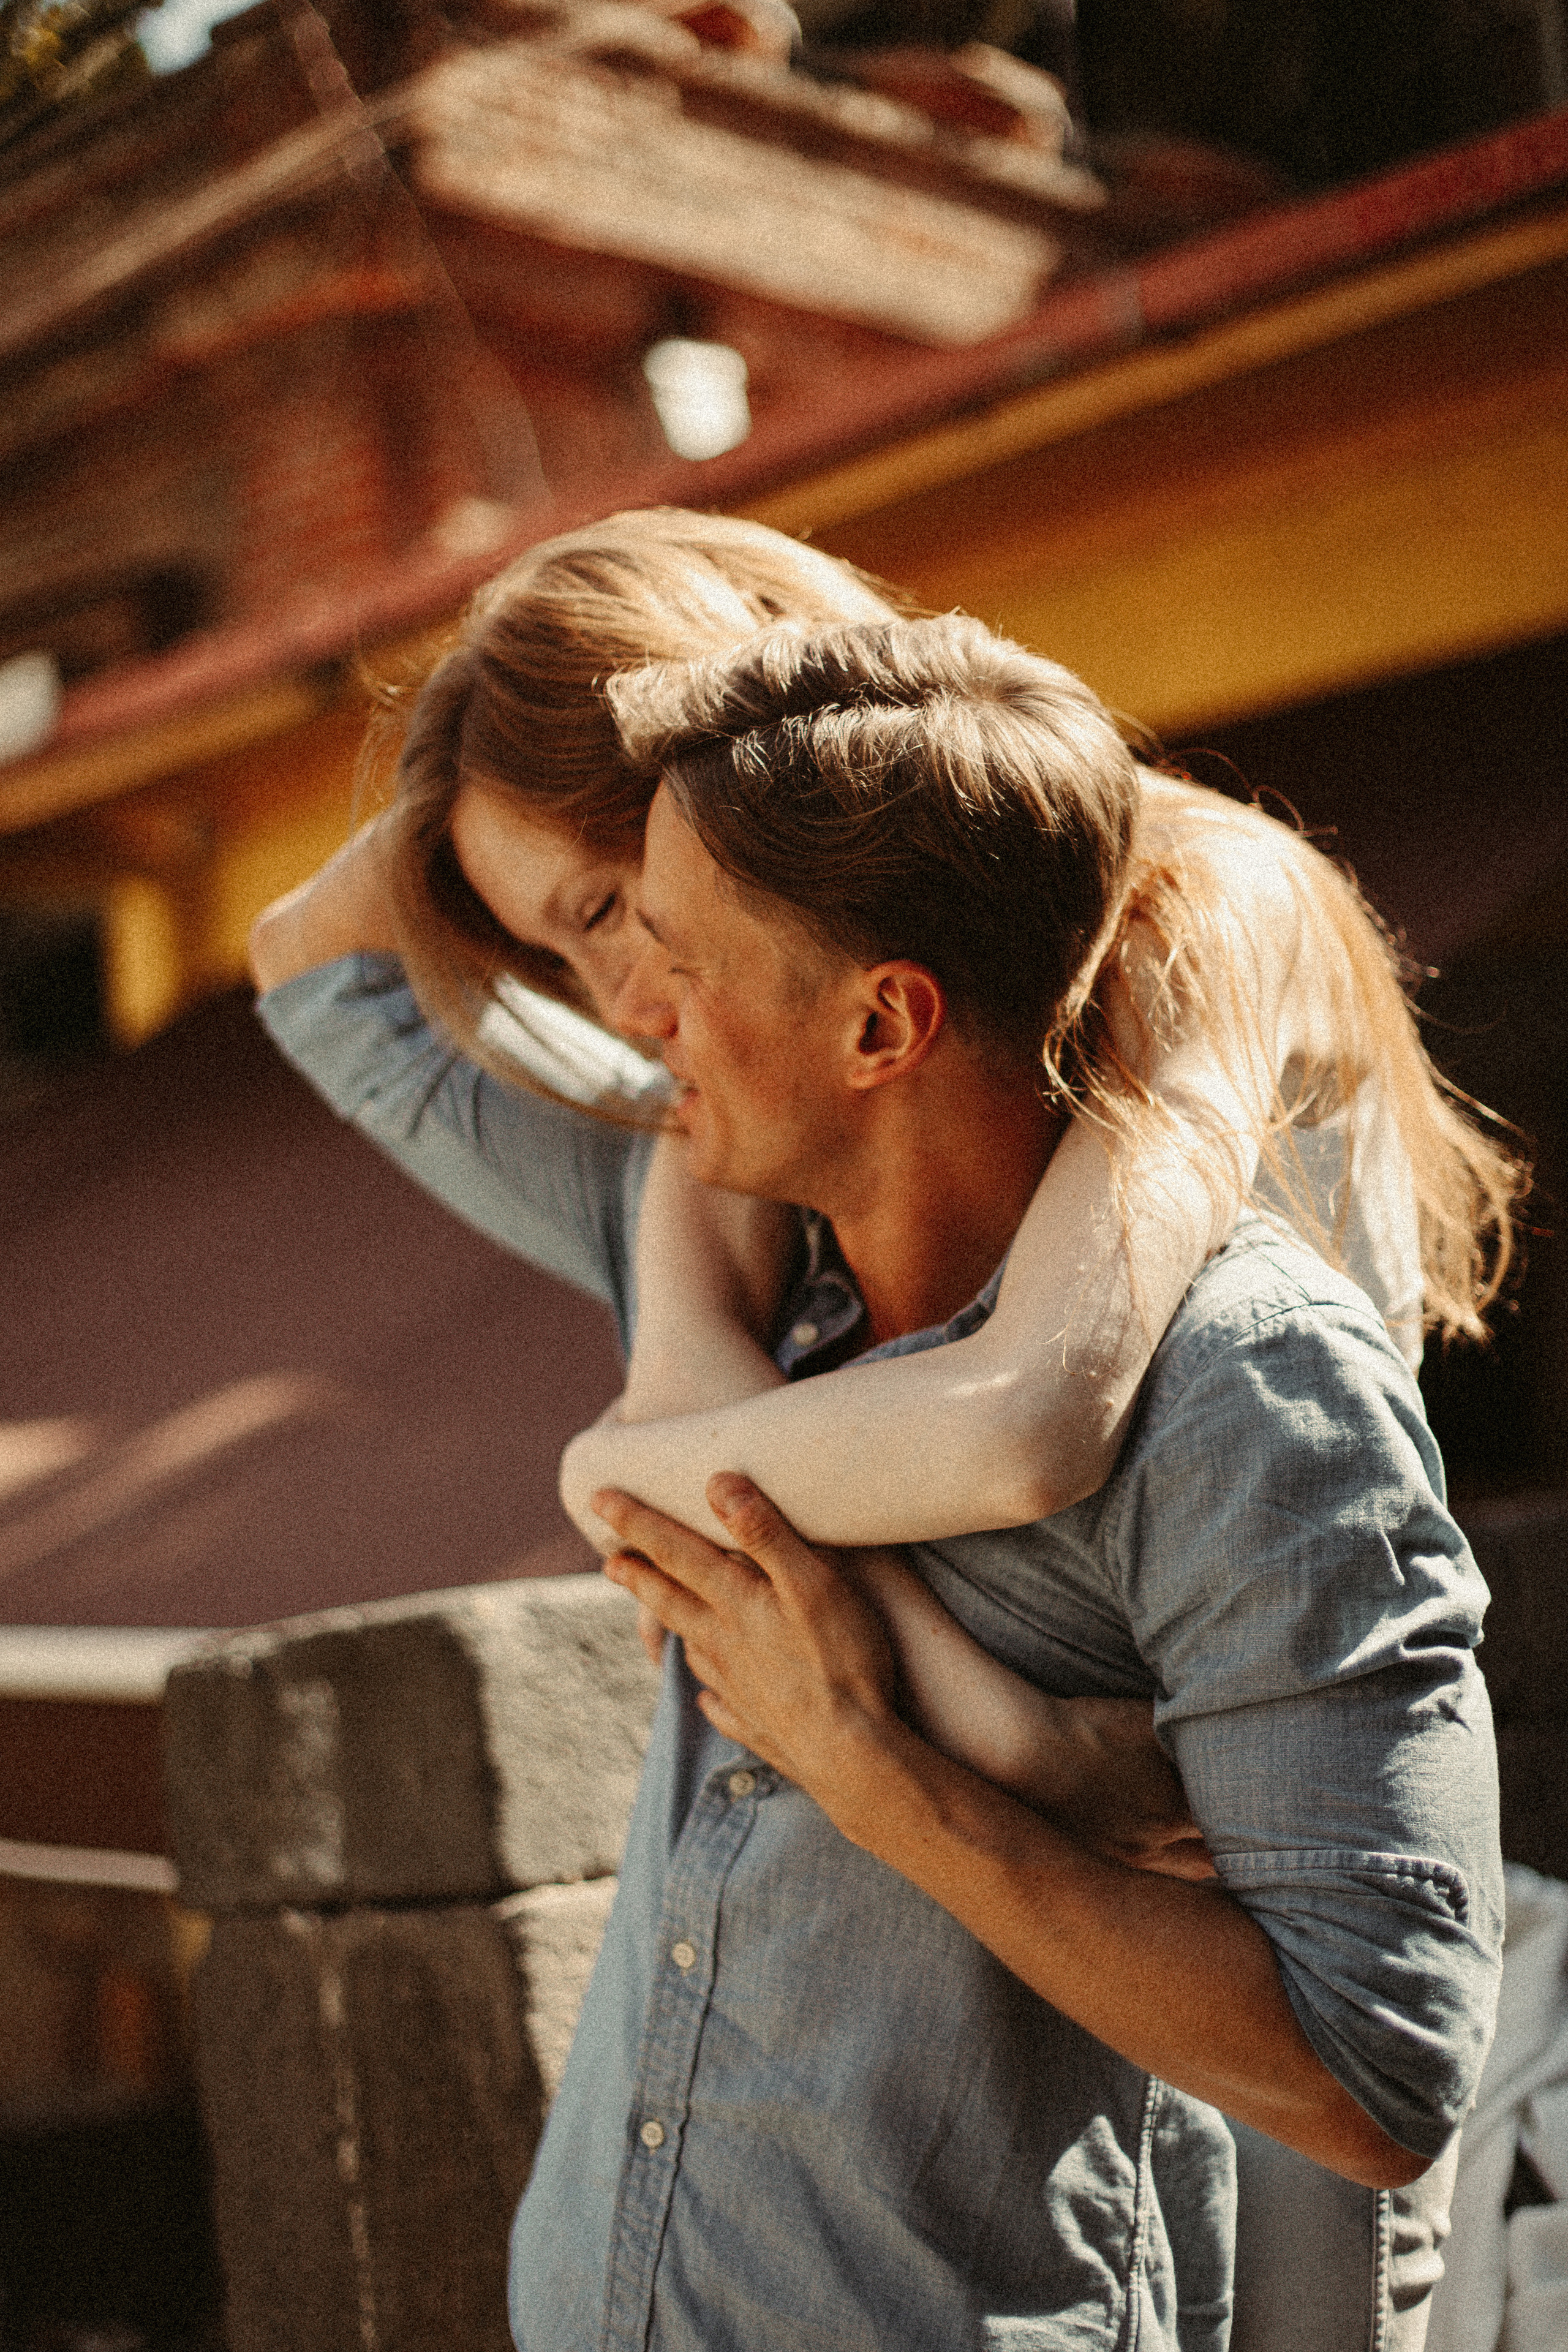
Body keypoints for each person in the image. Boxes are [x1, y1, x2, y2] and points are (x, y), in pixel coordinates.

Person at [251, 568, 1506, 2345]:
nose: (618, 1009)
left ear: (869, 984)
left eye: (630, 915)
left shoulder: (1223, 1333)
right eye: (564, 951)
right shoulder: (724, 1193)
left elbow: (1364, 2097)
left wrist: (886, 1753)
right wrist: (506, 716)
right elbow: (316, 978)